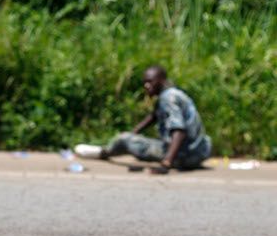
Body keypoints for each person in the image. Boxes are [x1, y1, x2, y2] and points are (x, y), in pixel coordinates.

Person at [74, 65, 212, 174]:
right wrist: (134, 132)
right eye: (145, 82)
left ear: (161, 80)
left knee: (125, 140)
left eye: (150, 81)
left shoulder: (167, 98)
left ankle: (103, 152)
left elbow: (179, 130)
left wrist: (167, 162)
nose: (146, 86)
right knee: (130, 139)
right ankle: (113, 148)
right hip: (200, 150)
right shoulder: (173, 93)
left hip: (185, 155)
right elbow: (153, 117)